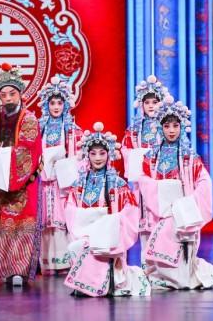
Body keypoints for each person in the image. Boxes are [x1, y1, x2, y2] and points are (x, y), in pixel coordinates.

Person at [138, 96, 213, 290]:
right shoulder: (151, 157)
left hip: (183, 210)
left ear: (181, 127)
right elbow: (144, 180)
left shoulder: (189, 156)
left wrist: (189, 202)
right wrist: (160, 193)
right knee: (161, 235)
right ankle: (164, 277)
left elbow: (204, 180)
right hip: (160, 209)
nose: (171, 130)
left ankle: (183, 278)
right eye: (167, 126)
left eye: (175, 126)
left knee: (178, 238)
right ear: (160, 127)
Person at [63, 123, 150, 297]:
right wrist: (85, 224)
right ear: (87, 154)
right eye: (93, 153)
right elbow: (70, 209)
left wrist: (111, 224)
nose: (98, 158)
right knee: (76, 246)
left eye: (102, 153)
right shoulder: (79, 184)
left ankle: (98, 284)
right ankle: (87, 284)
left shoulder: (118, 183)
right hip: (85, 233)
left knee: (97, 248)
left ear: (109, 154)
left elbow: (130, 212)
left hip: (109, 237)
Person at [0, 63, 42, 286]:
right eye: (3, 94)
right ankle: (5, 269)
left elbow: (28, 150)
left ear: (20, 94)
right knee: (2, 222)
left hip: (24, 183)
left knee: (21, 223)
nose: (7, 98)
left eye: (12, 94)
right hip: (0, 184)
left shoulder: (29, 120)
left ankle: (20, 270)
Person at [120, 75, 170, 266]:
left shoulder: (167, 126)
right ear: (141, 105)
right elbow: (125, 149)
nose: (151, 106)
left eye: (154, 102)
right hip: (141, 183)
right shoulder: (134, 129)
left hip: (160, 181)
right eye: (147, 102)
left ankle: (161, 262)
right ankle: (145, 262)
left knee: (161, 221)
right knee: (143, 223)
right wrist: (139, 158)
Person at [36, 76, 82, 275]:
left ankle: (65, 262)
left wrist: (64, 167)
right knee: (45, 220)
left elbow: (78, 156)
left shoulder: (71, 129)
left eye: (59, 103)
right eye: (52, 103)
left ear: (66, 104)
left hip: (62, 183)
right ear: (46, 105)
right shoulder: (39, 128)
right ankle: (45, 262)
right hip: (43, 180)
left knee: (63, 221)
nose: (56, 107)